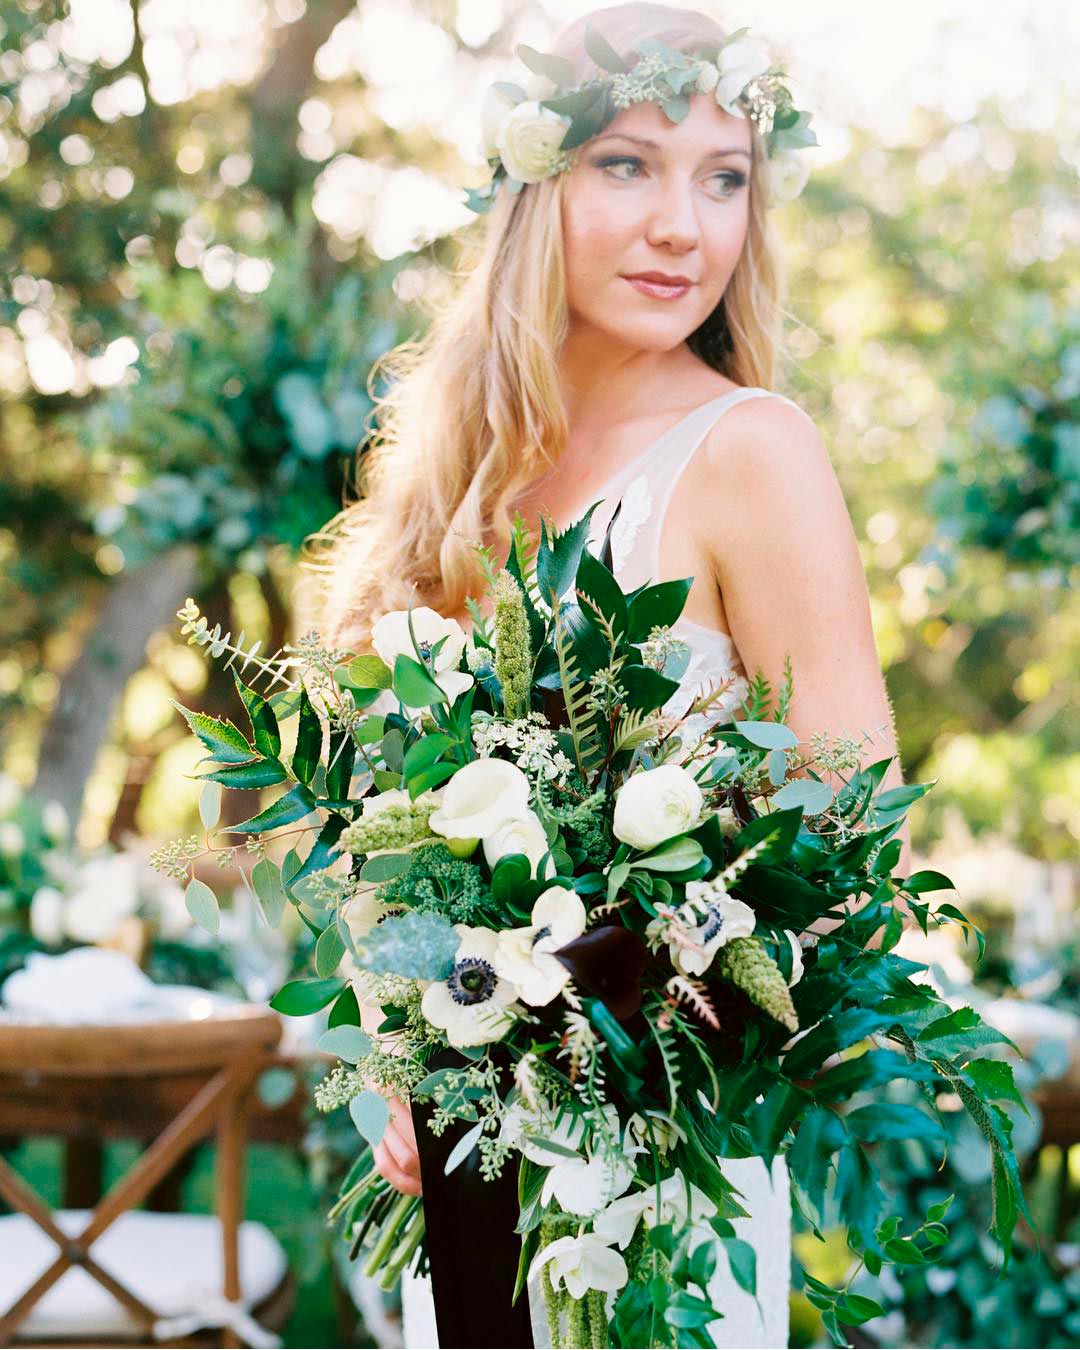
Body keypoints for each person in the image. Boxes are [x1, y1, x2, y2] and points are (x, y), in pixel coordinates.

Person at [305, 5, 912, 1345]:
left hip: (663, 1185)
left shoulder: (752, 449)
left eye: (725, 177)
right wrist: (398, 1047)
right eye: (630, 164)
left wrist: (630, 981)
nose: (684, 227)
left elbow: (853, 827)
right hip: (470, 1160)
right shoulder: (460, 477)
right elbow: (382, 836)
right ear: (536, 184)